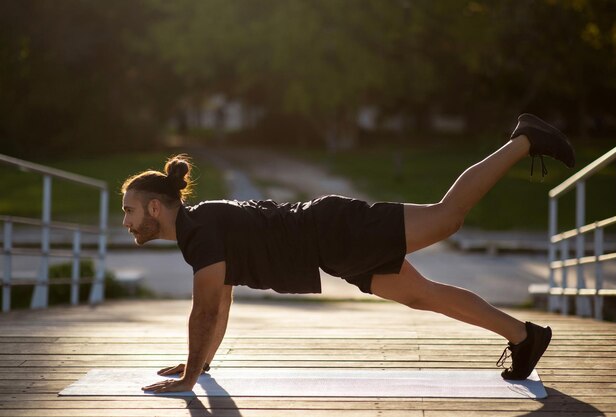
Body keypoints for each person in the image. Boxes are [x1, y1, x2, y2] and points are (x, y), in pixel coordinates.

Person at [132, 113, 575, 394]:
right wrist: (201, 362)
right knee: (424, 294)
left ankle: (524, 139)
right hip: (336, 250)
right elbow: (221, 301)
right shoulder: (201, 226)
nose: (126, 221)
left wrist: (190, 379)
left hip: (335, 229)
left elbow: (206, 311)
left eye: (129, 210)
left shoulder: (199, 230)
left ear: (156, 207)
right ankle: (525, 337)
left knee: (446, 218)